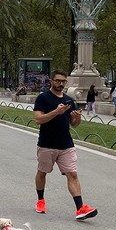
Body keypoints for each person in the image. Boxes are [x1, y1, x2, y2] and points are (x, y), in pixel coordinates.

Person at [33, 69, 98, 221]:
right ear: (51, 81)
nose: (60, 84)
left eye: (63, 81)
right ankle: (41, 200)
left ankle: (80, 208)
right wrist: (56, 111)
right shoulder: (43, 98)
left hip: (66, 144)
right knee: (42, 172)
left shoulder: (70, 101)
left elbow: (74, 125)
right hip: (47, 144)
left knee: (73, 174)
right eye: (57, 81)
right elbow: (38, 119)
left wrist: (76, 117)